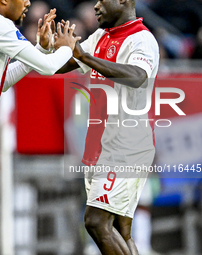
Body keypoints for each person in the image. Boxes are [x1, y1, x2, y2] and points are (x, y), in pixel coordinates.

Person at [56, 0, 160, 254]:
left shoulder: (142, 39)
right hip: (101, 146)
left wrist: (85, 57)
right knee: (120, 232)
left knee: (96, 222)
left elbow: (137, 76)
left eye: (103, 0)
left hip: (126, 146)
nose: (96, 6)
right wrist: (47, 47)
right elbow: (61, 66)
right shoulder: (101, 36)